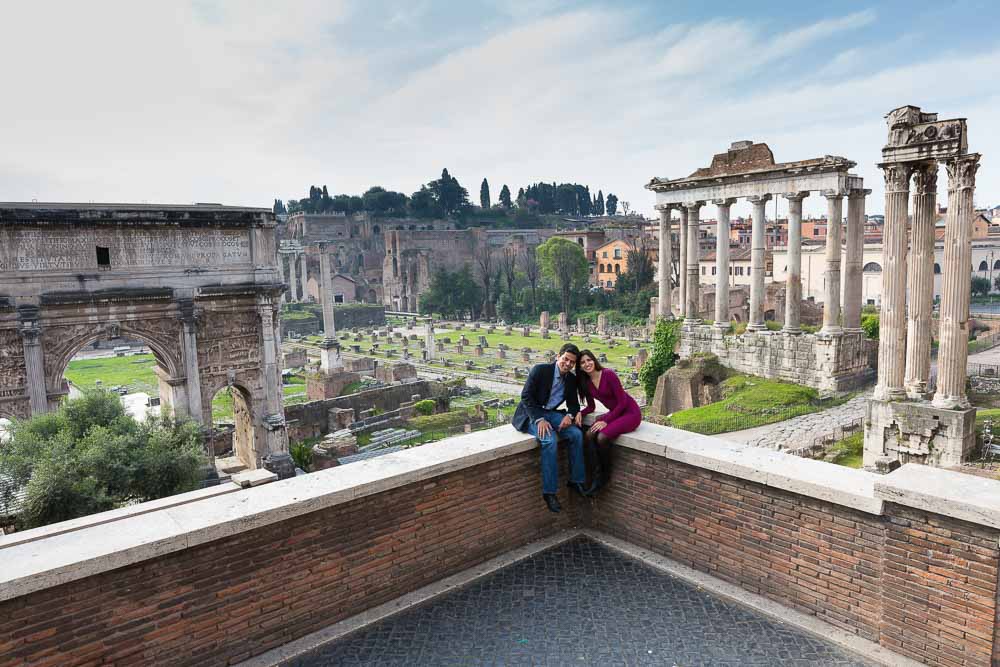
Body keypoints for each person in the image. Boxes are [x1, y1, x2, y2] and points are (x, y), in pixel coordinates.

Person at [511, 343, 587, 513]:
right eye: (565, 359)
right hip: (531, 414)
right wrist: (538, 419)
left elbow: (574, 405)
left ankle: (576, 480)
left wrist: (570, 415)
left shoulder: (571, 379)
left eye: (571, 362)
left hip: (551, 413)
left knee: (576, 434)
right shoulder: (540, 370)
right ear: (558, 357)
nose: (567, 364)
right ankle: (549, 492)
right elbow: (526, 397)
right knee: (550, 439)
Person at [575, 349, 642, 495]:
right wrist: (580, 412)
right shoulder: (586, 382)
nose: (587, 364)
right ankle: (593, 474)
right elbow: (591, 406)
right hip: (615, 414)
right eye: (582, 362)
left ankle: (604, 476)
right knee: (588, 435)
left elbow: (623, 402)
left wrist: (606, 420)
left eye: (589, 360)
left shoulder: (608, 374)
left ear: (594, 360)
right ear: (579, 367)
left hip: (630, 413)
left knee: (602, 437)